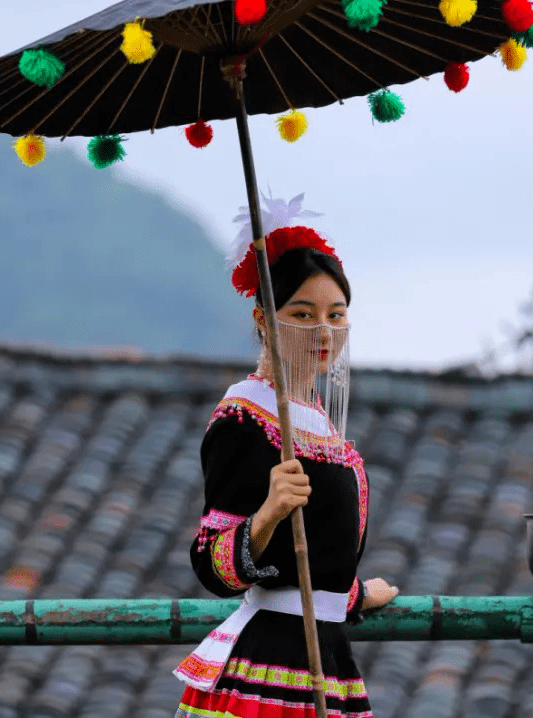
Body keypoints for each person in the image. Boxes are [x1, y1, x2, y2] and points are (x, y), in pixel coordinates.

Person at [174, 219, 399, 718]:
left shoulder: (318, 420)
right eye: (303, 313)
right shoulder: (244, 418)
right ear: (263, 318)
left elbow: (316, 558)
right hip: (267, 673)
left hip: (327, 663)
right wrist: (268, 514)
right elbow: (211, 564)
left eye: (337, 316)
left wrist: (355, 594)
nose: (325, 331)